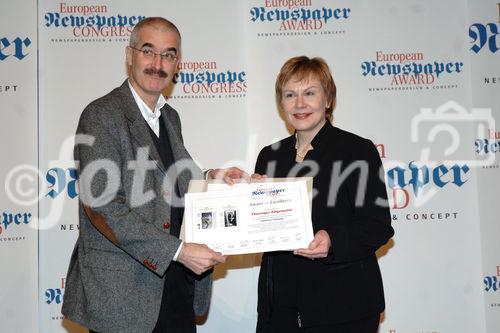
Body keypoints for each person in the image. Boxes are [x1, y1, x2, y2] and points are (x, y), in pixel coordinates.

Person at [61, 17, 247, 333]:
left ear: (177, 64)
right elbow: (102, 207)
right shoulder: (101, 115)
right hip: (124, 300)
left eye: (169, 54)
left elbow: (172, 178)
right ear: (129, 55)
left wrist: (213, 177)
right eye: (149, 51)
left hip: (174, 288)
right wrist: (178, 251)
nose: (158, 64)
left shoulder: (169, 117)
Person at [254, 56, 394, 333]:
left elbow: (377, 226)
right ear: (281, 104)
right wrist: (249, 202)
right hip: (279, 309)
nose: (299, 104)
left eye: (309, 93)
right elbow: (261, 230)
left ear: (328, 99)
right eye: (290, 95)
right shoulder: (269, 157)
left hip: (344, 308)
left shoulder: (357, 151)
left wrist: (332, 240)